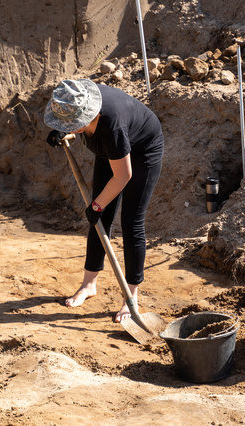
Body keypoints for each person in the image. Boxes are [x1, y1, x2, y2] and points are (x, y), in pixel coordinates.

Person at [44, 79, 164, 323]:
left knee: (131, 222)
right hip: (109, 150)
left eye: (72, 124)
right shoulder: (74, 98)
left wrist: (97, 205)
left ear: (88, 118)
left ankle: (130, 298)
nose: (71, 127)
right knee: (99, 220)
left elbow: (123, 176)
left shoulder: (112, 126)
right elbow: (74, 118)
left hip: (143, 152)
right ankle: (89, 285)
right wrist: (63, 129)